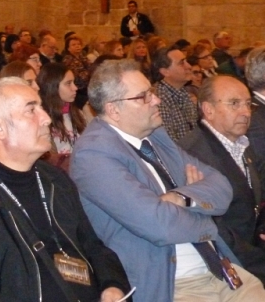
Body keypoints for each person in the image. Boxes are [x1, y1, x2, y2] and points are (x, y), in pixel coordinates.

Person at [70, 59, 265, 302]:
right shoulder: (94, 154)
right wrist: (203, 214)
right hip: (172, 282)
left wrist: (182, 197)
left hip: (220, 270)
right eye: (144, 97)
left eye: (151, 92)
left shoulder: (156, 136)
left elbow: (222, 188)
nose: (156, 100)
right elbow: (159, 225)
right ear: (113, 109)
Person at [0, 77, 132, 302]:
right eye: (31, 110)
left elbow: (93, 247)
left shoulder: (55, 180)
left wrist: (112, 286)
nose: (46, 118)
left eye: (42, 108)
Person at [179, 75, 265, 284]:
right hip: (229, 262)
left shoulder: (240, 144)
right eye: (234, 104)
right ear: (208, 109)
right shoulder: (194, 154)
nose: (245, 112)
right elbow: (213, 226)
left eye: (247, 104)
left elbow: (256, 196)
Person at [37, 62, 86, 155]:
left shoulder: (78, 113)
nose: (75, 88)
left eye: (73, 82)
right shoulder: (43, 120)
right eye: (68, 83)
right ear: (52, 87)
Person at [152, 45, 198, 142]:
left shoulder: (182, 91)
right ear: (165, 72)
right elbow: (169, 144)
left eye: (186, 61)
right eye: (182, 63)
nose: (189, 66)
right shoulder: (159, 99)